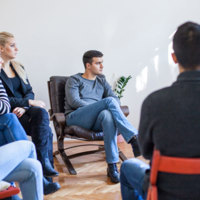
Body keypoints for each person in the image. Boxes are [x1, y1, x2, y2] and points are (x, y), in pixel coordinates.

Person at [120, 21, 200, 200]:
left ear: (174, 58)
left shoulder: (153, 102)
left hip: (166, 192)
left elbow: (147, 153)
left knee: (127, 167)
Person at [64, 50, 140, 183]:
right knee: (108, 102)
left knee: (107, 115)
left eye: (102, 63)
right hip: (76, 117)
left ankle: (112, 167)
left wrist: (100, 107)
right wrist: (97, 106)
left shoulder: (101, 80)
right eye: (98, 63)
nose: (102, 66)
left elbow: (116, 99)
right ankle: (133, 138)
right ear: (88, 65)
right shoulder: (74, 80)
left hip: (95, 119)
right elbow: (74, 102)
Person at [0, 41, 60, 196]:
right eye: (12, 45)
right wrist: (26, 103)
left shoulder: (18, 67)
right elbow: (5, 101)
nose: (17, 49)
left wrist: (26, 106)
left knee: (41, 113)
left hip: (24, 110)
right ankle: (43, 175)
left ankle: (45, 167)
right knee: (46, 131)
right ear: (1, 48)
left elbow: (29, 91)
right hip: (11, 113)